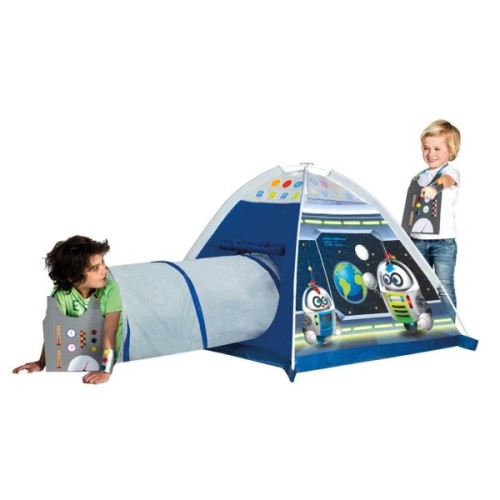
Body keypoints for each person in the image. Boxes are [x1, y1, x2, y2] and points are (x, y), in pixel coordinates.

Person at [13, 235, 122, 384]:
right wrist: (42, 362)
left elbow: (110, 332)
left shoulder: (110, 289)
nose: (104, 271)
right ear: (74, 277)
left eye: (103, 262)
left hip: (108, 352)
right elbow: (54, 330)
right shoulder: (61, 294)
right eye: (95, 268)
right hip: (80, 351)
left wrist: (105, 371)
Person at [407, 119, 461, 317]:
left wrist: (434, 187)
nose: (430, 153)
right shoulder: (418, 177)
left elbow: (446, 181)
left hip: (442, 242)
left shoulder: (449, 172)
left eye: (437, 149)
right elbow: (412, 210)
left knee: (443, 286)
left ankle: (449, 326)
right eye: (426, 148)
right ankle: (424, 321)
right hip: (417, 240)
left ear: (451, 152)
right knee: (418, 285)